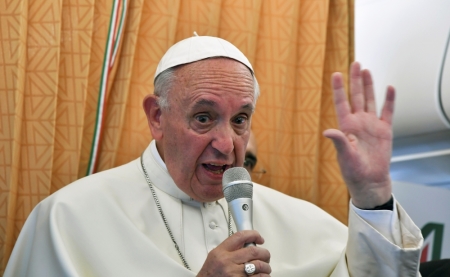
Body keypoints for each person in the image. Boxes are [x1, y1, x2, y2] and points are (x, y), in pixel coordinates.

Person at [4, 36, 423, 277]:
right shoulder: (68, 218)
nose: (227, 144)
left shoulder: (301, 222)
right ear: (157, 117)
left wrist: (372, 195)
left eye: (240, 119)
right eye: (204, 118)